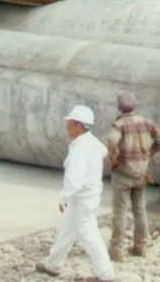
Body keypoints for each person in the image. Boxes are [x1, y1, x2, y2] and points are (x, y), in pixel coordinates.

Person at [37, 105, 115, 281]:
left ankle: (106, 273)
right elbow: (101, 153)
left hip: (82, 198)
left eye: (70, 123)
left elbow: (75, 177)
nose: (67, 126)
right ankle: (53, 264)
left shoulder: (81, 148)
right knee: (67, 229)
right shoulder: (91, 143)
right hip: (85, 196)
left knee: (89, 234)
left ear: (79, 125)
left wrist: (64, 196)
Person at [104, 90, 160, 261]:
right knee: (140, 210)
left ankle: (117, 250)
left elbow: (112, 141)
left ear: (119, 107)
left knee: (120, 212)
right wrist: (149, 154)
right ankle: (141, 246)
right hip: (141, 173)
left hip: (122, 174)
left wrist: (114, 159)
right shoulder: (146, 122)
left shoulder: (119, 124)